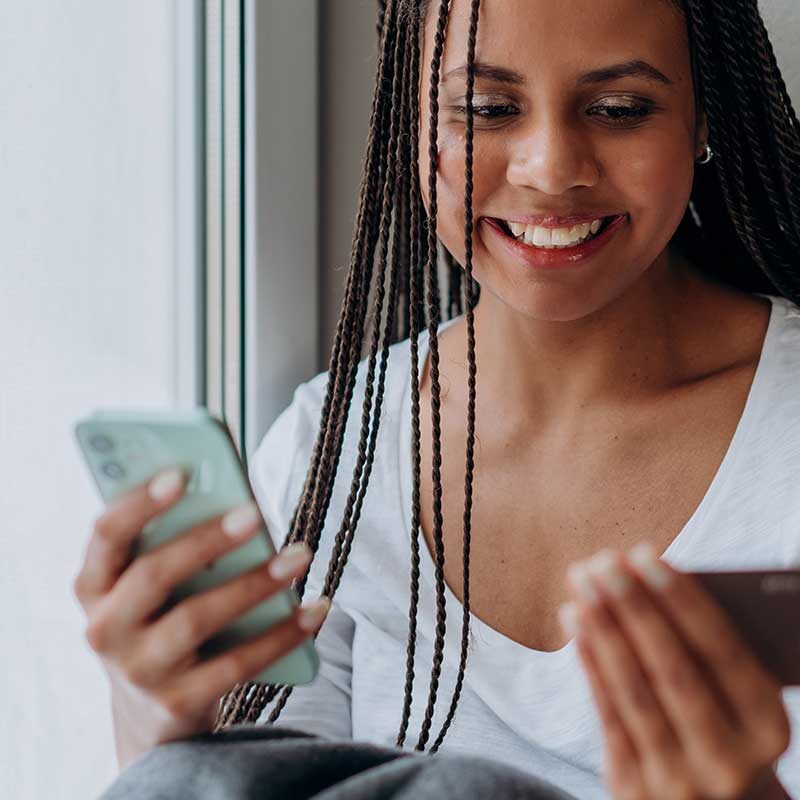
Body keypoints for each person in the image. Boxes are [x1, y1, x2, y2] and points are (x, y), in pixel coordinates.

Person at [75, 0, 800, 797]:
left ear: (704, 121)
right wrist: (156, 712)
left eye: (620, 110)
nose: (551, 168)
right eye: (487, 109)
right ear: (411, 121)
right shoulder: (338, 454)